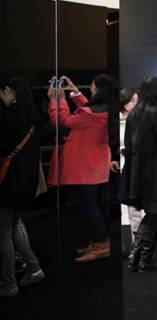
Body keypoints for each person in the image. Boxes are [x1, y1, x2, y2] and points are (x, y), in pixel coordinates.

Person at [48, 74, 119, 263]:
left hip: (87, 165)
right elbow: (87, 109)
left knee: (89, 204)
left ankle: (101, 244)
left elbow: (61, 120)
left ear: (99, 89)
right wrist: (74, 92)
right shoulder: (107, 109)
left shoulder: (90, 113)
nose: (91, 88)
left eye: (93, 85)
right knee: (99, 203)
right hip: (99, 164)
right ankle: (102, 240)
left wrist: (58, 101)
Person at [122, 76, 157, 272]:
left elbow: (128, 144)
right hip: (155, 168)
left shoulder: (134, 113)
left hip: (137, 170)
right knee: (155, 212)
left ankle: (137, 258)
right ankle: (145, 260)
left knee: (150, 212)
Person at [0, 73, 44, 296]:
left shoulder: (8, 115)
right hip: (28, 180)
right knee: (13, 226)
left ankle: (9, 284)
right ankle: (34, 269)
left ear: (8, 90)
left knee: (4, 233)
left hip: (9, 180)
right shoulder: (33, 112)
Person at [119, 88, 143, 248]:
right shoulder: (116, 120)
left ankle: (137, 245)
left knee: (134, 207)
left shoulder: (140, 119)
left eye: (136, 100)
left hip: (134, 166)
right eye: (131, 100)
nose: (134, 103)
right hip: (117, 166)